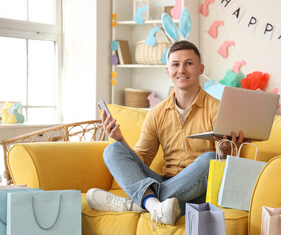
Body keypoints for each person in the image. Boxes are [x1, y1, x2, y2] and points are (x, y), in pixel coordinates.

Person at [86, 40, 244, 226]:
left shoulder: (219, 110)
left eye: (189, 63)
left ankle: (139, 203)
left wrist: (226, 151)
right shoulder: (157, 113)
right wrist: (120, 140)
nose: (182, 70)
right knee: (113, 150)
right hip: (164, 180)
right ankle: (156, 206)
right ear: (167, 71)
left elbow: (224, 168)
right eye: (175, 65)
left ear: (201, 69)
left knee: (209, 159)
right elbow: (141, 160)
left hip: (199, 190)